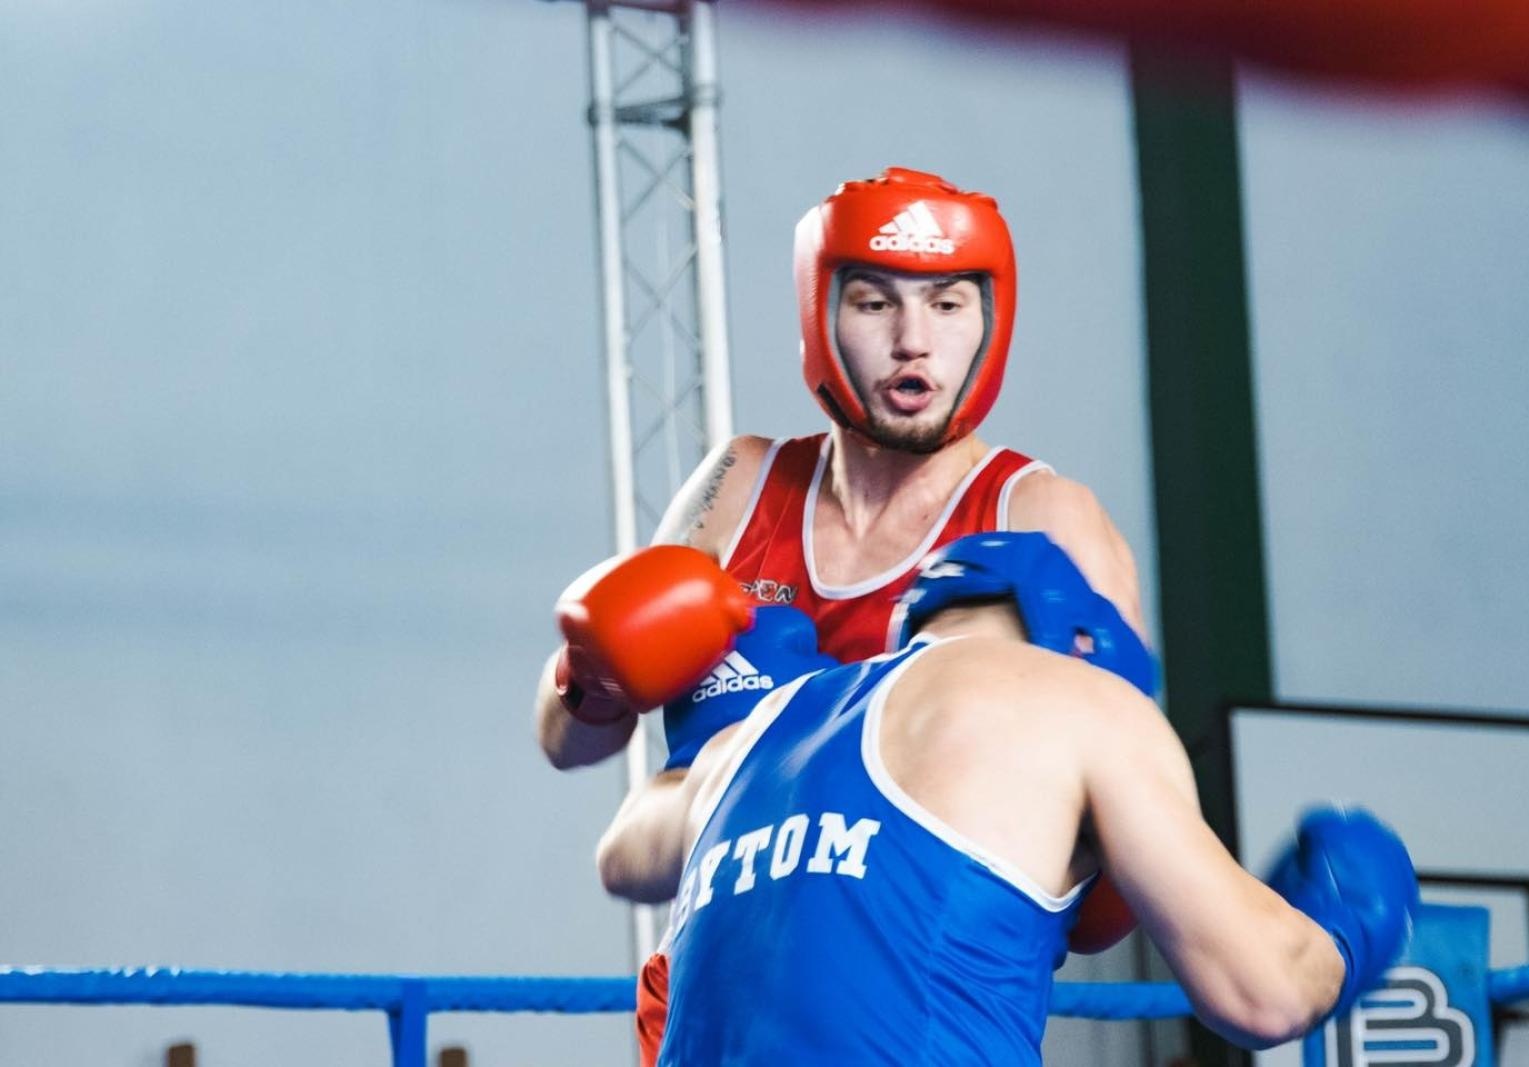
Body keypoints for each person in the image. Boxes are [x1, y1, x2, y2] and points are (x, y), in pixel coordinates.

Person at [594, 533, 1419, 1064]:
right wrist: (1344, 930)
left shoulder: (755, 735)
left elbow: (622, 854)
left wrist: (650, 704)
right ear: (1081, 645)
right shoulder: (1076, 700)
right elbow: (1265, 990)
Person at [534, 165, 1148, 770]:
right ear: (819, 316)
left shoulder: (1039, 514)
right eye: (876, 303)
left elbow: (1135, 786)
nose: (913, 339)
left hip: (947, 872)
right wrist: (592, 674)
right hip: (737, 867)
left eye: (948, 305)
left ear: (990, 321)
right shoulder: (742, 486)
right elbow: (568, 747)